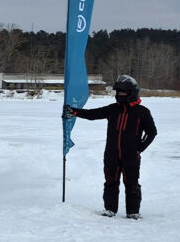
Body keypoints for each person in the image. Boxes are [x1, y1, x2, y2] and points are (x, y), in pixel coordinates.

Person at [63, 74, 157, 219]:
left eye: (123, 93)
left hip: (130, 156)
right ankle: (110, 209)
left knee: (131, 184)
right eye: (118, 93)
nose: (119, 95)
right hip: (111, 154)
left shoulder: (142, 112)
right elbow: (93, 114)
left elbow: (152, 132)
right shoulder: (113, 109)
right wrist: (74, 112)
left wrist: (140, 148)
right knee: (110, 182)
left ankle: (133, 211)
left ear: (131, 93)